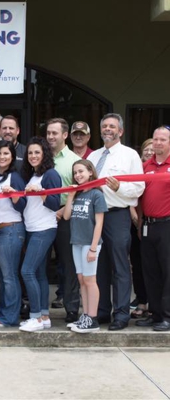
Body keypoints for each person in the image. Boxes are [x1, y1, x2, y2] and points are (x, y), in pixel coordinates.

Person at [88, 113, 145, 331]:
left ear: (120, 131)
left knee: (120, 267)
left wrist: (118, 187)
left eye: (112, 126)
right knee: (98, 266)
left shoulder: (130, 156)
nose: (108, 129)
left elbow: (139, 188)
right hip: (94, 217)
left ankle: (121, 314)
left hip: (117, 215)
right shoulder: (94, 157)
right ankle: (101, 311)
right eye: (104, 126)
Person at [19, 137, 61, 332]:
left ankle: (35, 317)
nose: (33, 156)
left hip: (44, 229)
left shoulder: (51, 174)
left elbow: (54, 204)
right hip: (32, 228)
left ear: (44, 154)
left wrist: (41, 191)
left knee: (27, 271)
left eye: (37, 152)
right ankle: (44, 316)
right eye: (30, 153)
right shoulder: (32, 175)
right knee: (39, 274)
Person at [63, 159, 107, 333]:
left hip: (90, 243)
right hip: (77, 242)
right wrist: (71, 197)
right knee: (82, 280)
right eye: (75, 173)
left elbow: (99, 223)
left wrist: (93, 248)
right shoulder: (78, 193)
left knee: (90, 280)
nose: (78, 175)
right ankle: (86, 315)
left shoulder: (96, 194)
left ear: (90, 172)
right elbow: (66, 216)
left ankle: (93, 318)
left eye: (81, 171)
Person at [0, 140, 26, 328]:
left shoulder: (15, 177)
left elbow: (22, 205)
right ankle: (3, 312)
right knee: (2, 277)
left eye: (6, 154)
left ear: (12, 157)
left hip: (10, 229)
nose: (2, 157)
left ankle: (10, 317)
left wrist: (14, 194)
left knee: (9, 276)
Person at [46, 118, 81, 323]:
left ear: (65, 135)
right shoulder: (40, 158)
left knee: (68, 265)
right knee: (39, 265)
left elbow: (79, 192)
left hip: (65, 219)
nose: (51, 136)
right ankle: (39, 310)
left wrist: (60, 211)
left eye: (55, 133)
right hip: (41, 219)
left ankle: (71, 309)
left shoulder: (73, 161)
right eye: (49, 133)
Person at [136, 126, 170, 331]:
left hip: (167, 225)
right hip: (148, 225)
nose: (158, 143)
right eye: (155, 139)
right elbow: (139, 196)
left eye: (163, 140)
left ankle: (167, 315)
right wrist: (140, 222)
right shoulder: (145, 166)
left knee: (168, 272)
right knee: (150, 272)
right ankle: (155, 314)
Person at [129, 138, 153, 318]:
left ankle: (156, 303)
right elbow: (130, 194)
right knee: (137, 264)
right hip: (135, 222)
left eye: (153, 150)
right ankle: (142, 300)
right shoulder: (137, 169)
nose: (149, 152)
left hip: (155, 223)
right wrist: (135, 218)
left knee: (156, 266)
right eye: (146, 149)